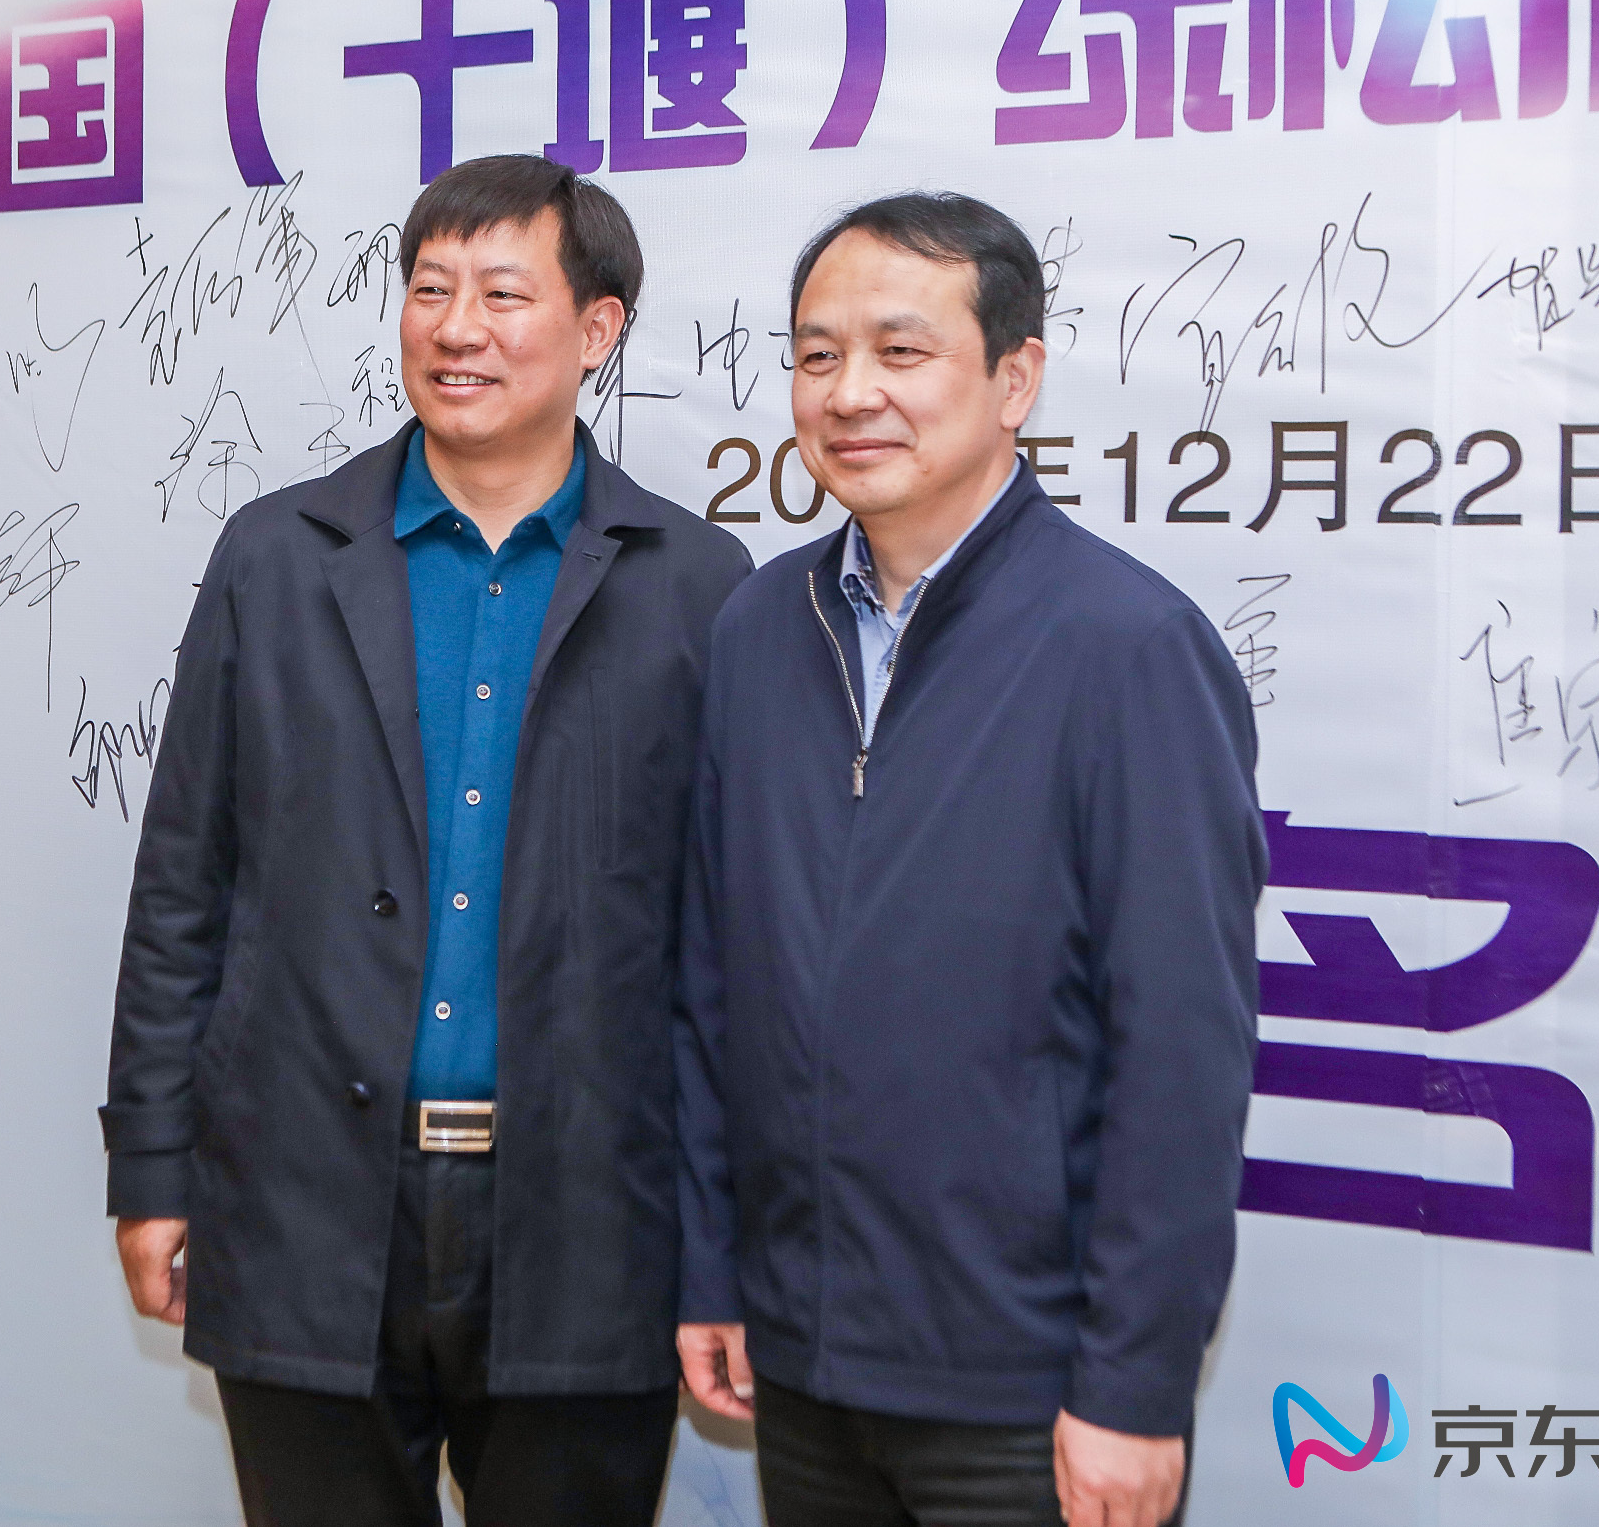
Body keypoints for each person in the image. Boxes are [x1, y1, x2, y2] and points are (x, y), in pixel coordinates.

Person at [103, 153, 752, 1526]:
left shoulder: (698, 587)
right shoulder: (278, 558)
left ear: (597, 328)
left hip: (588, 1222)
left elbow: (726, 951)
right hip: (306, 1201)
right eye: (430, 289)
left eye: (503, 294)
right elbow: (183, 891)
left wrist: (723, 1235)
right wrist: (152, 1170)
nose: (457, 329)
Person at [674, 192, 1265, 1527]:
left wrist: (1135, 1386)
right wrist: (714, 1267)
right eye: (817, 355)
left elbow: (1179, 1050)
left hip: (1028, 1388)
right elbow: (712, 986)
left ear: (1015, 378)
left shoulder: (1128, 648)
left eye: (901, 350)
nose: (851, 393)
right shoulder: (760, 628)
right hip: (801, 1364)